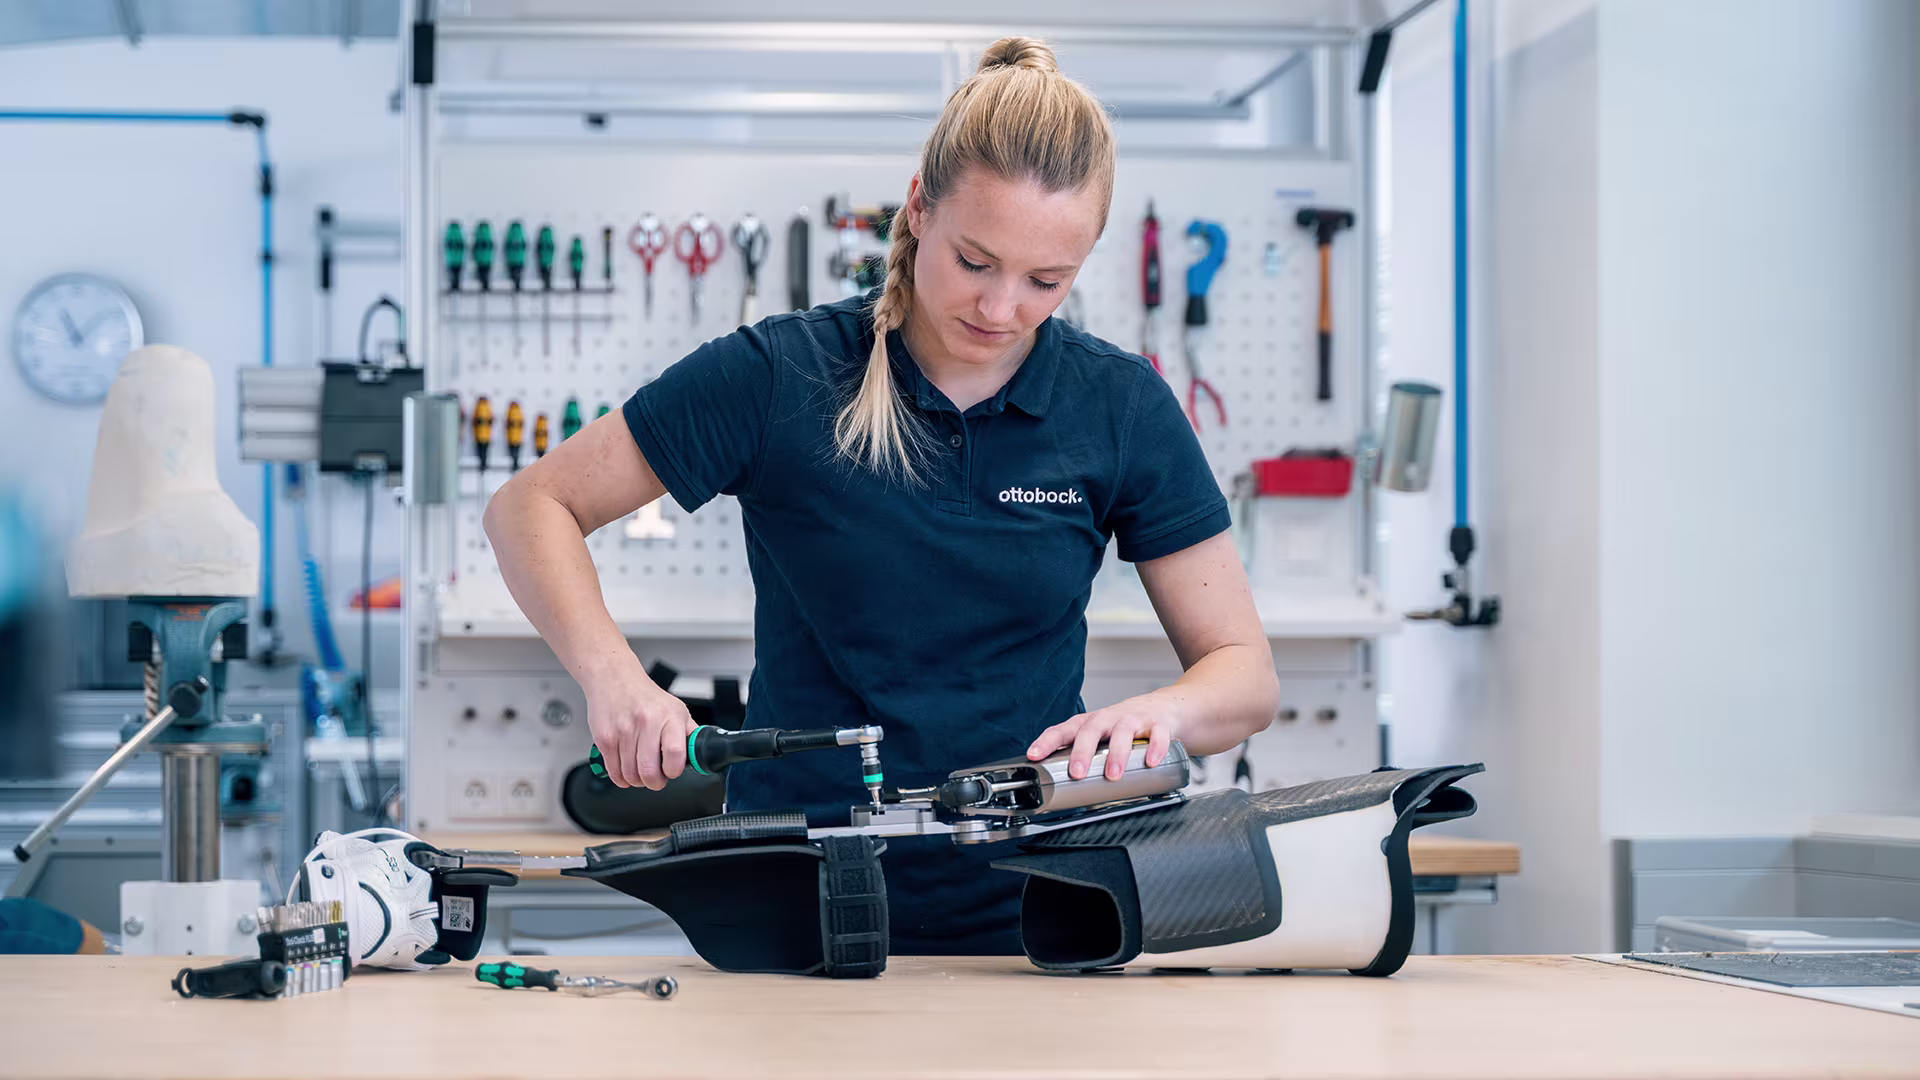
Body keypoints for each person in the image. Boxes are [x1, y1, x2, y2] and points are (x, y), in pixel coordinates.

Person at [484, 36, 1279, 955]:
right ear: (917, 207)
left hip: (1034, 920)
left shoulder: (1121, 406)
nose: (1000, 308)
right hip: (794, 915)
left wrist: (1164, 714)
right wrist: (615, 681)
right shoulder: (782, 375)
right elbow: (530, 506)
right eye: (974, 261)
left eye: (1045, 282)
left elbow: (1242, 674)